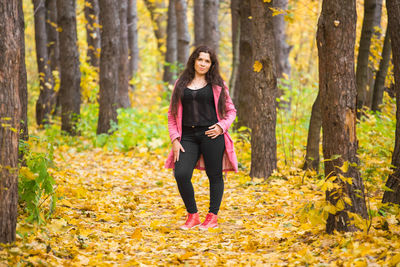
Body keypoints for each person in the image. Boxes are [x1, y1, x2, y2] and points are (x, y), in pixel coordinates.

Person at [164, 46, 238, 230]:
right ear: (194, 61)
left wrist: (221, 127)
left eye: (207, 61)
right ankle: (193, 215)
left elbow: (231, 111)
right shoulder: (180, 83)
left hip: (211, 135)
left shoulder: (218, 84)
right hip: (187, 137)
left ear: (211, 65)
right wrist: (174, 139)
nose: (203, 63)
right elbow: (172, 114)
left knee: (214, 175)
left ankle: (212, 216)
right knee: (181, 174)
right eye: (200, 59)